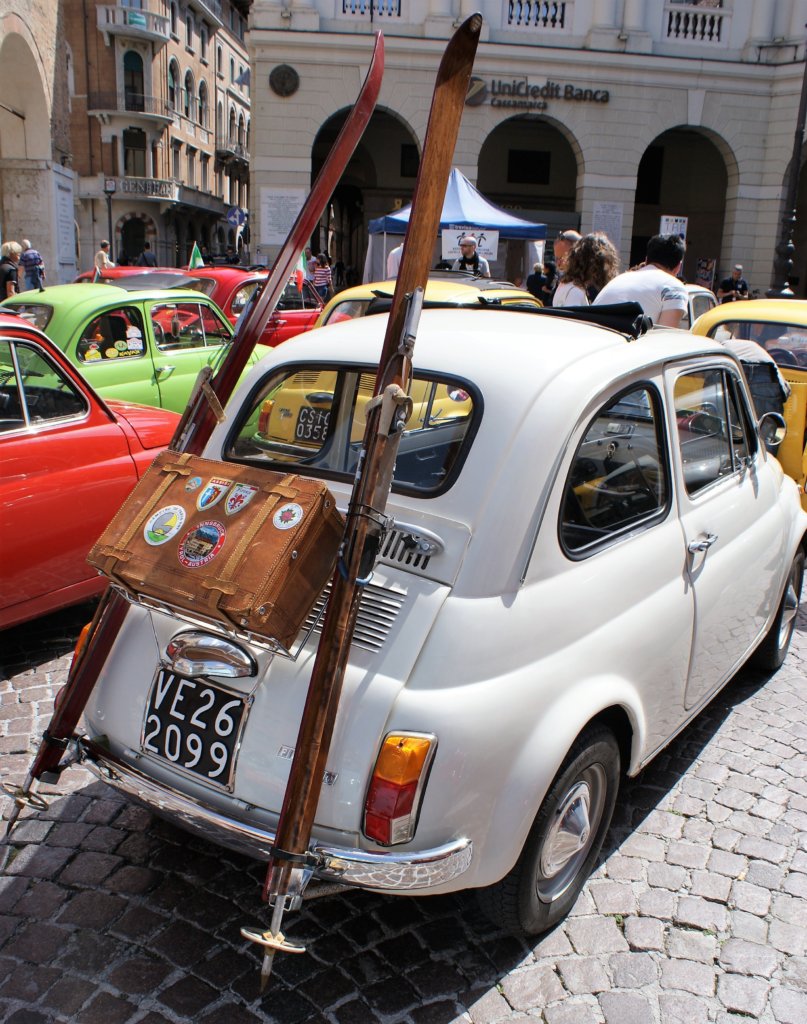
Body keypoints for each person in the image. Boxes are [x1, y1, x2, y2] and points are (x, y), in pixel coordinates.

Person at [593, 234, 688, 327]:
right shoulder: (674, 288)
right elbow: (665, 337)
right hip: (623, 341)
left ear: (646, 260)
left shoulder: (620, 279)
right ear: (678, 267)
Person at [553, 233, 620, 308]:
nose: (559, 263)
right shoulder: (576, 290)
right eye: (557, 258)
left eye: (562, 258)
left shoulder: (569, 286)